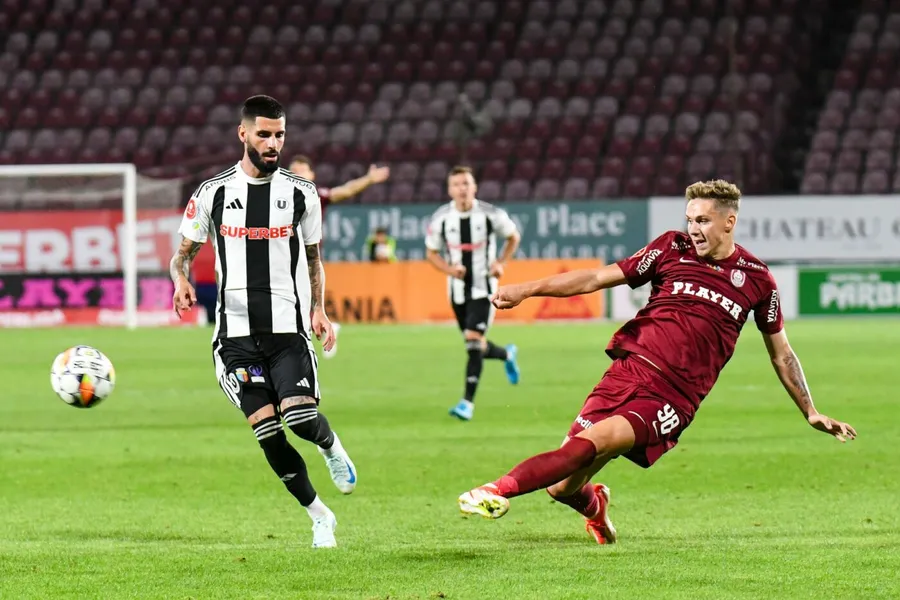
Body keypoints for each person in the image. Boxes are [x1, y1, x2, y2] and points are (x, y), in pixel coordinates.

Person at [457, 180, 857, 543]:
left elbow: (781, 353)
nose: (694, 229)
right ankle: (595, 506)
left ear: (729, 221)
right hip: (626, 371)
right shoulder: (670, 248)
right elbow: (596, 279)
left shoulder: (756, 279)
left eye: (702, 220)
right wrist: (528, 289)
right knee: (561, 488)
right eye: (689, 220)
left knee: (595, 442)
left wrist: (810, 411)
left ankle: (495, 490)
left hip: (672, 397)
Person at [170, 95, 357, 549]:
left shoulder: (301, 193)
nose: (273, 144)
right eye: (265, 135)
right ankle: (319, 516)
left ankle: (329, 444)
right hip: (233, 338)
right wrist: (181, 281)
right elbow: (181, 256)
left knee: (299, 418)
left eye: (280, 135)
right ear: (243, 134)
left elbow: (314, 260)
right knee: (269, 432)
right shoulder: (213, 192)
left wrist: (319, 308)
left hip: (287, 331)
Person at [424, 165, 523, 421]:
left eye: (466, 183)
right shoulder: (442, 218)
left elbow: (513, 237)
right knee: (475, 344)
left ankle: (467, 403)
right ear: (450, 190)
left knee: (471, 341)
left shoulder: (490, 214)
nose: (462, 189)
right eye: (457, 184)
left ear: (474, 187)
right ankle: (506, 354)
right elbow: (431, 253)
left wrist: (501, 262)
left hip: (484, 288)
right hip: (456, 291)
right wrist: (449, 269)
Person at [289, 156, 391, 359]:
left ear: (311, 175)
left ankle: (315, 335)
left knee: (297, 302)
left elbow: (345, 190)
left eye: (302, 170)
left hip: (306, 258)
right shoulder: (277, 196)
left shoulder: (316, 195)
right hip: (280, 258)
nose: (298, 174)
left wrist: (369, 179)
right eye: (294, 171)